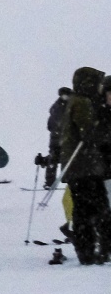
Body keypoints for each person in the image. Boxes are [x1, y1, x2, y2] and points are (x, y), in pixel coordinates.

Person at [53, 67, 108, 264]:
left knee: (83, 210)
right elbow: (90, 134)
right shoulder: (83, 103)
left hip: (78, 167)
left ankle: (87, 251)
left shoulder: (74, 102)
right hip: (85, 167)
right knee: (96, 208)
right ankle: (94, 250)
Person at [44, 86, 73, 190]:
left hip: (62, 140)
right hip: (57, 140)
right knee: (54, 160)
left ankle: (69, 181)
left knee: (62, 160)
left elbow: (50, 124)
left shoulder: (61, 107)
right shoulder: (58, 107)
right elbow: (50, 124)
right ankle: (50, 183)